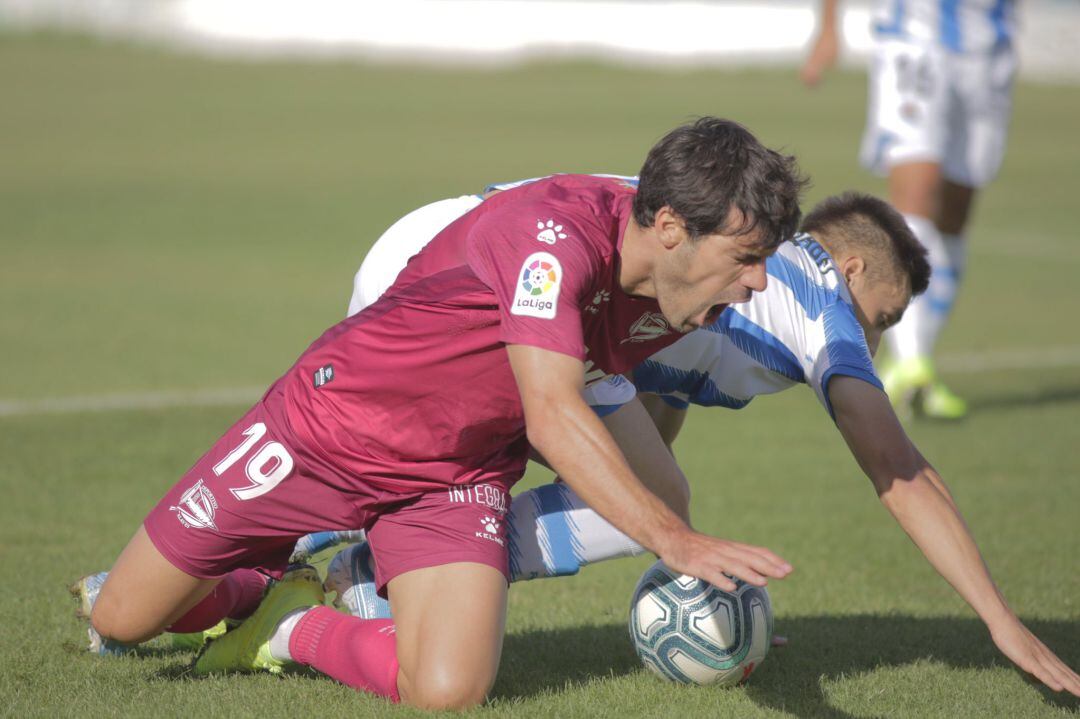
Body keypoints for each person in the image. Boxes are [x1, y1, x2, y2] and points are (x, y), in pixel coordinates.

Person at [83, 118, 806, 709]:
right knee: (124, 618)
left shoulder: (686, 292)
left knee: (448, 690)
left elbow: (603, 399)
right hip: (326, 427)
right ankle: (251, 589)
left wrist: (712, 599)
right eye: (746, 256)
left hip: (457, 472)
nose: (758, 281)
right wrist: (675, 540)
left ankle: (287, 627)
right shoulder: (551, 240)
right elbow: (553, 413)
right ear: (671, 226)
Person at [326, 188, 1080, 697]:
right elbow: (900, 469)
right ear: (849, 269)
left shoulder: (747, 264)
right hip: (470, 266)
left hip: (455, 234)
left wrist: (718, 606)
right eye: (879, 319)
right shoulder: (824, 314)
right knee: (426, 458)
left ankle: (362, 563)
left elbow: (655, 386)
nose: (872, 344)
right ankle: (365, 572)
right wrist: (1001, 622)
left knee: (656, 500)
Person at [801, 0, 1018, 419]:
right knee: (917, 190)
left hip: (990, 50)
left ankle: (913, 360)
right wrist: (828, 26)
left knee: (954, 213)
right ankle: (913, 361)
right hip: (915, 39)